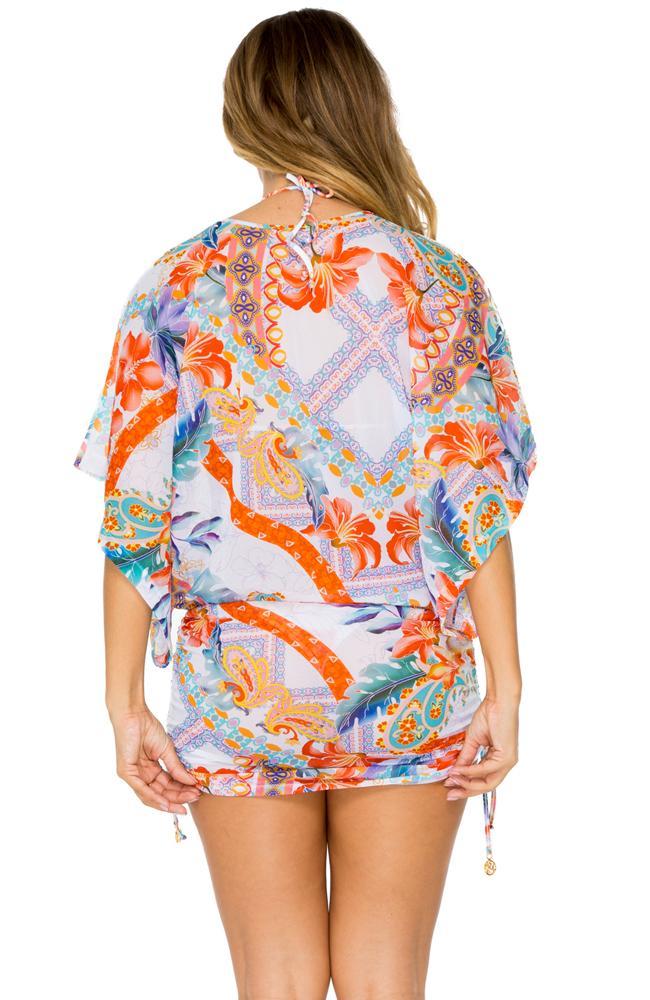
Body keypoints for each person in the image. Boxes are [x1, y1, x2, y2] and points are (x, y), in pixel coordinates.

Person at [74, 9, 537, 998]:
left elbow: (134, 514)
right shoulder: (440, 284)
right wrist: (507, 685)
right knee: (386, 976)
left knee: (275, 979)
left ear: (243, 118)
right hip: (406, 676)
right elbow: (475, 502)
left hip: (240, 678)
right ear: (366, 106)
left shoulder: (176, 285)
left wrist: (123, 704)